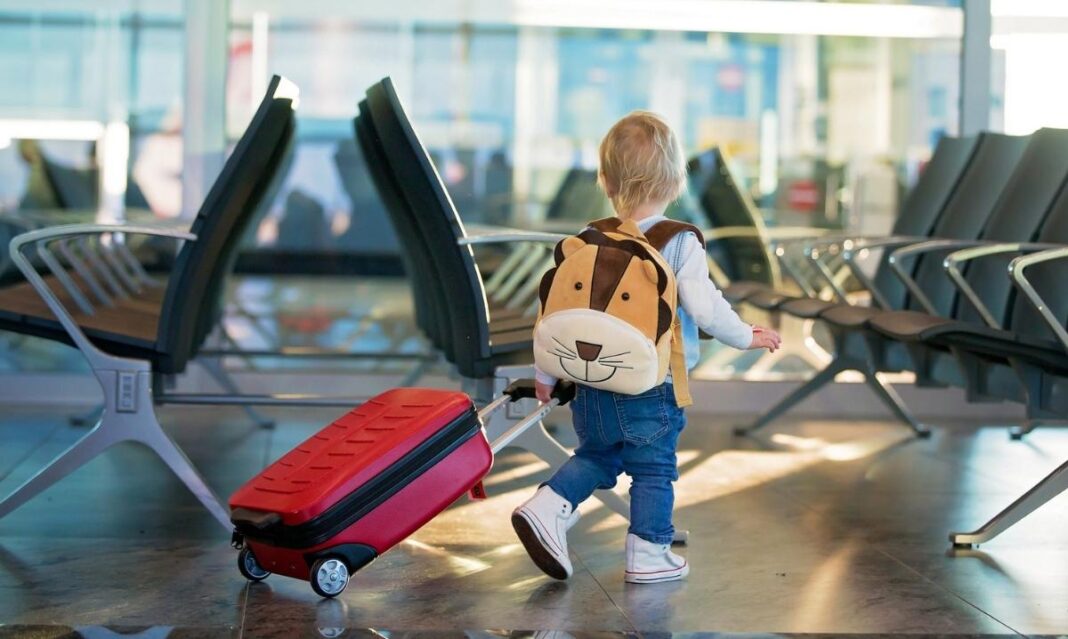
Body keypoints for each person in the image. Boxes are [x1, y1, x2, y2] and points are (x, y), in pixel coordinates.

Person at [512, 111, 782, 584]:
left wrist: (547, 375)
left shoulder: (586, 240)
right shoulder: (679, 243)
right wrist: (745, 335)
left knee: (598, 455)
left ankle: (548, 504)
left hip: (590, 382)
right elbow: (705, 306)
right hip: (650, 386)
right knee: (654, 470)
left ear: (605, 180)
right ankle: (650, 553)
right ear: (676, 179)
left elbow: (555, 315)